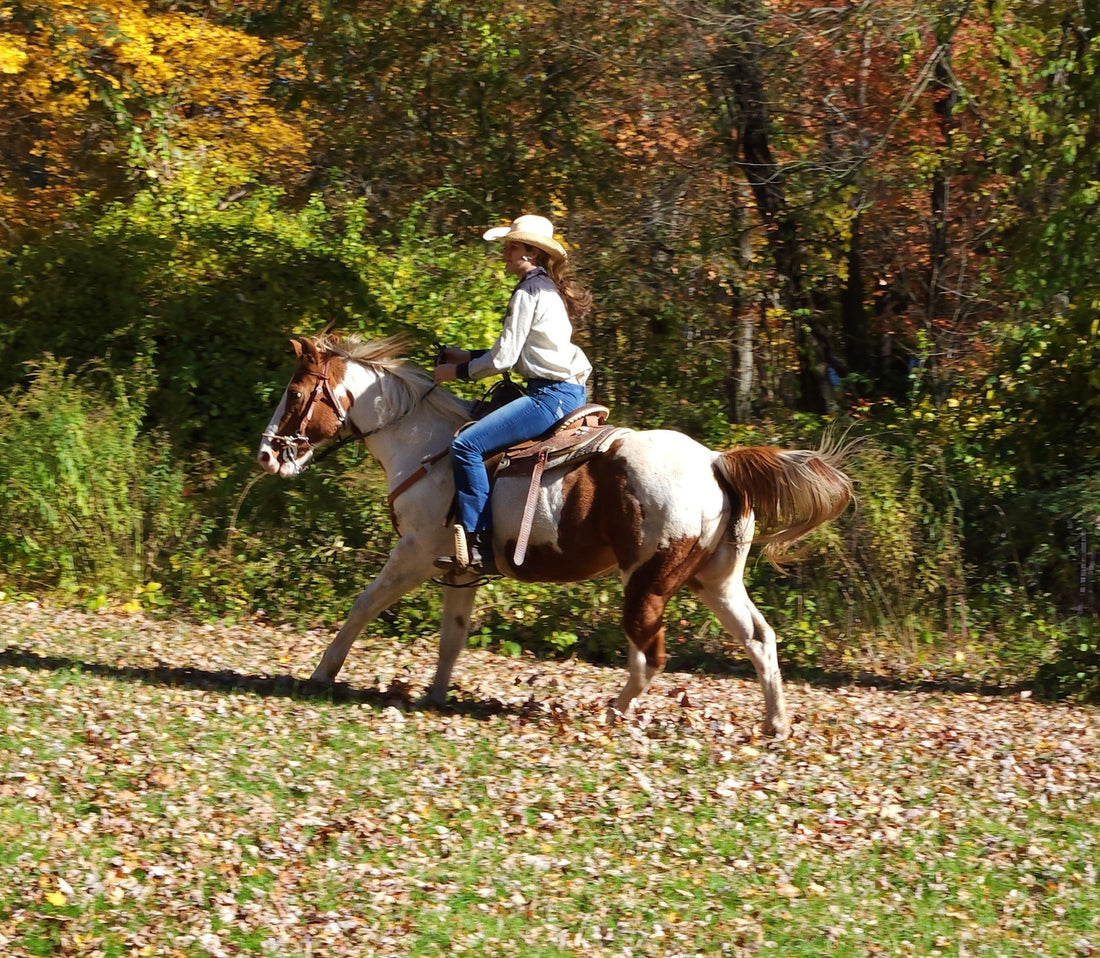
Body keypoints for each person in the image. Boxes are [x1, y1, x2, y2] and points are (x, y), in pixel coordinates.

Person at [433, 214, 593, 575]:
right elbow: (516, 352)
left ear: (531, 254)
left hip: (549, 397)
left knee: (466, 446)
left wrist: (454, 372)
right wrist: (468, 356)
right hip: (565, 391)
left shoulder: (527, 292)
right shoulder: (545, 288)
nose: (504, 253)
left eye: (511, 246)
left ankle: (478, 544)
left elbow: (505, 358)